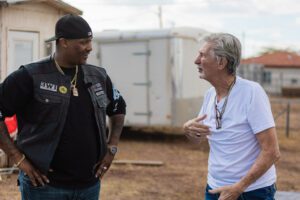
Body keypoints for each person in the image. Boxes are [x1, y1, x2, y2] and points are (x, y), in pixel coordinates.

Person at [0, 14, 126, 200]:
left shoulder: (98, 76)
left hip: (89, 185)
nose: (89, 48)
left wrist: (112, 146)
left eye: (90, 41)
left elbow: (118, 108)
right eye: (83, 42)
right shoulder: (29, 76)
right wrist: (17, 158)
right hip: (44, 187)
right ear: (63, 42)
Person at [183, 33, 280, 200]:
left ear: (221, 62)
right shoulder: (210, 95)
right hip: (215, 188)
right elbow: (198, 140)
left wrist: (239, 188)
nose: (196, 61)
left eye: (202, 55)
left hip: (251, 192)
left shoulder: (251, 92)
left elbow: (271, 152)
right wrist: (188, 130)